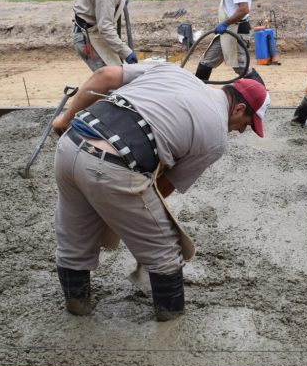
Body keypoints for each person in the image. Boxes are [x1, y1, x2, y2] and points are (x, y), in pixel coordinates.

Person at [50, 60, 269, 321]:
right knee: (165, 252)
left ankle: (77, 306)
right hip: (112, 166)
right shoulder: (216, 138)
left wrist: (64, 118)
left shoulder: (171, 70)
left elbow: (104, 75)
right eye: (247, 124)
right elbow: (162, 187)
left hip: (69, 145)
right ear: (239, 108)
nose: (243, 131)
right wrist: (128, 217)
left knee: (74, 236)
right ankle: (170, 322)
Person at [195, 0, 265, 85]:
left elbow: (243, 9)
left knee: (241, 67)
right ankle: (196, 93)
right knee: (207, 61)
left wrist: (225, 24)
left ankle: (261, 94)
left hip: (236, 30)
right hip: (228, 31)